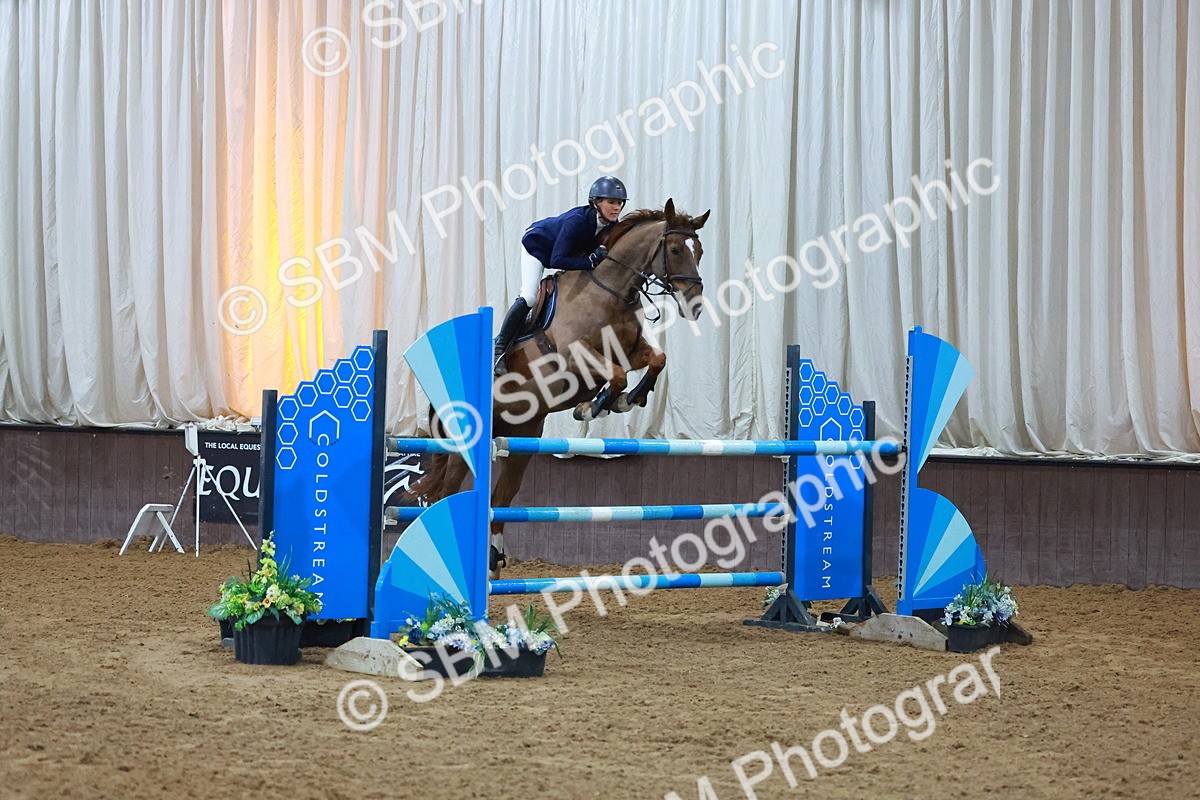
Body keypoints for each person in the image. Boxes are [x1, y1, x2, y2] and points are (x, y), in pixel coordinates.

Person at [492, 175, 629, 375]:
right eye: (611, 202)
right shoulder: (577, 221)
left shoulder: (611, 225)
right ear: (596, 203)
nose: (616, 207)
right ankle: (499, 349)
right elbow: (557, 260)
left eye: (619, 203)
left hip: (562, 250)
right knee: (529, 295)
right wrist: (590, 260)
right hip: (538, 246)